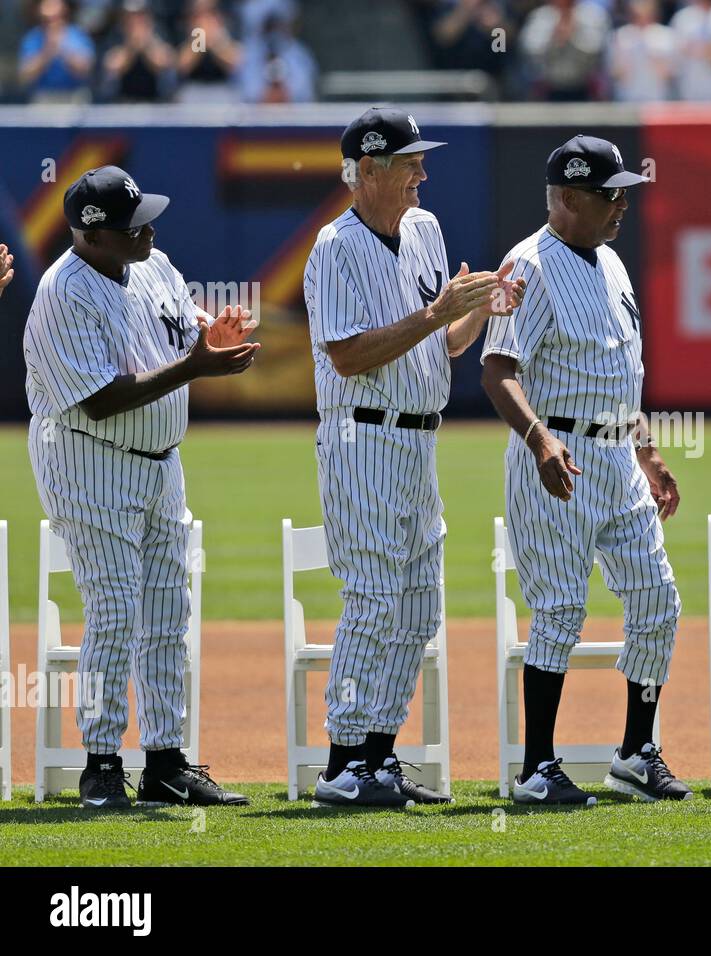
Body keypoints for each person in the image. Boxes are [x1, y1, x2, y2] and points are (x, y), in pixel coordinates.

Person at [303, 108, 522, 808]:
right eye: (409, 162)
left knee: (419, 605)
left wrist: (483, 305)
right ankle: (342, 763)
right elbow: (347, 356)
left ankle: (379, 755)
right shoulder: (333, 247)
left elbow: (446, 345)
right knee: (371, 595)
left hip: (419, 438)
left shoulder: (423, 229)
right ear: (368, 171)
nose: (423, 172)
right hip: (360, 435)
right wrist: (434, 314)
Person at [24, 167, 259, 809]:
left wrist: (217, 338)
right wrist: (198, 365)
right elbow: (101, 401)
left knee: (168, 613)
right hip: (87, 458)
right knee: (117, 609)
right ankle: (100, 766)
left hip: (161, 460)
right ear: (92, 236)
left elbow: (188, 327)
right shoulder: (62, 292)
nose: (149, 229)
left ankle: (166, 762)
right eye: (133, 224)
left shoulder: (154, 265)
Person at [481, 135, 690, 806]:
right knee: (560, 609)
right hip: (559, 455)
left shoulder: (611, 262)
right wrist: (540, 441)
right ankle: (537, 766)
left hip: (617, 457)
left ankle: (636, 752)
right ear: (567, 198)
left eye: (623, 191)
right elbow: (497, 368)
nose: (621, 204)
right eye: (608, 194)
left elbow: (619, 374)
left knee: (657, 599)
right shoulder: (528, 265)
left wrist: (649, 451)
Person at [18, 0, 95, 104]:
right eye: (47, 20)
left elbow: (85, 71)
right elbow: (25, 76)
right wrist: (47, 52)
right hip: (43, 98)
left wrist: (63, 49)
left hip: (74, 97)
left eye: (55, 17)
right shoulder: (33, 38)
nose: (52, 22)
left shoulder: (78, 35)